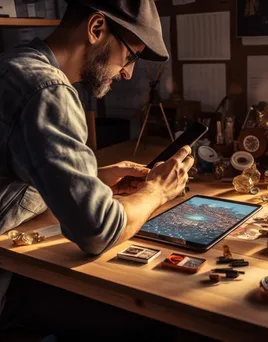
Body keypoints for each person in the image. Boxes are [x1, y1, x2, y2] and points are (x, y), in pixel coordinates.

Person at [0, 0, 195, 339]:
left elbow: (14, 170)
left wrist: (91, 178)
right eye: (130, 56)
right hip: (6, 290)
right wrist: (158, 191)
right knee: (168, 318)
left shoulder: (12, 66)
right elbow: (98, 232)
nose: (128, 72)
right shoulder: (48, 92)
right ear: (96, 29)